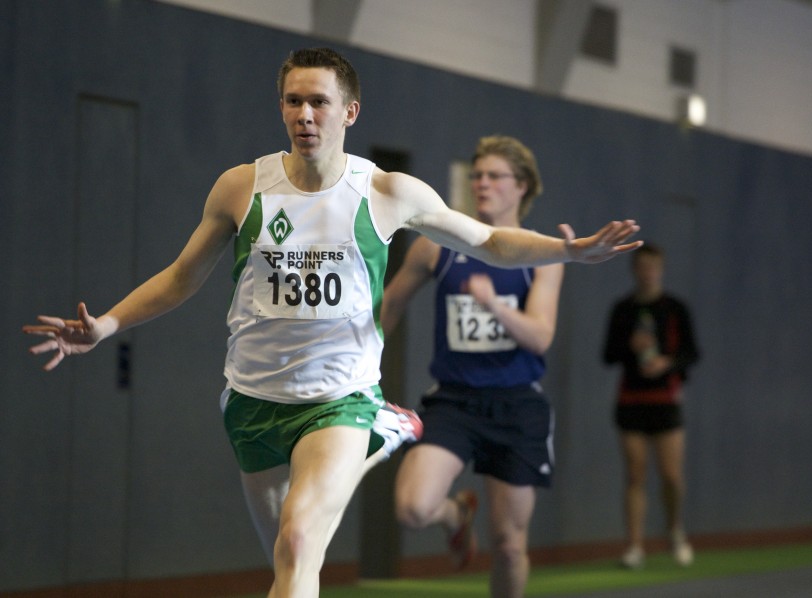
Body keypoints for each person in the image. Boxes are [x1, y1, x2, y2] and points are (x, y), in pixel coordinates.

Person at [24, 47, 641, 598]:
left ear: (349, 111)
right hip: (253, 399)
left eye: (319, 101)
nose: (304, 115)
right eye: (292, 101)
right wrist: (107, 325)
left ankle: (374, 425)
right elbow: (183, 276)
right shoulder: (241, 188)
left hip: (339, 397)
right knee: (286, 561)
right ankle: (387, 432)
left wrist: (568, 251)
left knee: (298, 542)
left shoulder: (386, 192)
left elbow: (487, 240)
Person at [381, 135, 565, 598]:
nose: (482, 183)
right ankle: (456, 514)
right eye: (476, 175)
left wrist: (494, 306)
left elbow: (540, 336)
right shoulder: (437, 246)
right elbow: (389, 306)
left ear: (521, 186)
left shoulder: (543, 253)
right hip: (454, 401)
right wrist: (357, 366)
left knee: (508, 546)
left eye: (494, 176)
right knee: (412, 508)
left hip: (517, 406)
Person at [602, 243, 699, 569]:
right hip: (631, 401)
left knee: (671, 475)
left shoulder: (675, 308)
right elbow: (608, 355)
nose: (648, 274)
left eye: (653, 267)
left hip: (665, 400)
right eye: (642, 267)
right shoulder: (622, 309)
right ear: (634, 270)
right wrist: (630, 347)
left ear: (661, 270)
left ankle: (675, 531)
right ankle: (634, 546)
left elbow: (692, 353)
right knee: (635, 474)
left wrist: (666, 364)